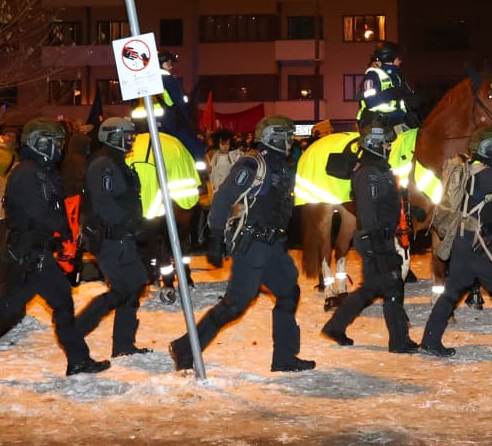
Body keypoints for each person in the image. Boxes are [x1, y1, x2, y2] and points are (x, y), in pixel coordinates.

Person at [0, 118, 110, 385]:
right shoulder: (27, 172)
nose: (59, 148)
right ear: (40, 143)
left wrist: (59, 239)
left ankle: (78, 359)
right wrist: (62, 229)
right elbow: (40, 213)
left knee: (61, 302)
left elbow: (46, 211)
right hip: (27, 257)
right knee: (5, 313)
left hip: (36, 252)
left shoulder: (40, 169)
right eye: (55, 143)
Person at [169, 116, 315, 373]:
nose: (290, 141)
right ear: (273, 137)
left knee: (289, 293)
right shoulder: (252, 163)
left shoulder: (279, 165)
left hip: (272, 246)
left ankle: (284, 357)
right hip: (252, 246)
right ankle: (185, 347)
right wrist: (215, 238)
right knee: (235, 304)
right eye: (286, 136)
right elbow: (223, 198)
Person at [419, 128, 492, 356]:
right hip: (478, 241)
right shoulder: (487, 175)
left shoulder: (472, 169)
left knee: (452, 292)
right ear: (491, 149)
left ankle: (430, 340)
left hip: (463, 239)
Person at [321, 120, 419, 354]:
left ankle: (335, 326)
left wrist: (411, 210)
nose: (389, 147)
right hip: (374, 238)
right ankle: (398, 341)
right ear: (374, 144)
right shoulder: (369, 173)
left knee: (370, 289)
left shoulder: (380, 169)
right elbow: (367, 209)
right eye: (386, 143)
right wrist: (376, 240)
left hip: (379, 237)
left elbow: (387, 202)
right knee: (393, 287)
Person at [75, 117, 152, 358]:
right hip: (109, 238)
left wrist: (138, 224)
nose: (131, 140)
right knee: (123, 288)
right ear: (112, 136)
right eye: (126, 136)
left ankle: (124, 344)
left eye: (132, 136)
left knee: (135, 284)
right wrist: (126, 223)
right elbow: (103, 201)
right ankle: (75, 329)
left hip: (123, 237)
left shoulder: (118, 162)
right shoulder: (103, 164)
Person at [357, 40, 418, 131]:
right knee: (381, 142)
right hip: (376, 122)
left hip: (399, 120)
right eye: (398, 58)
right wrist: (392, 93)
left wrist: (414, 101)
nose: (400, 61)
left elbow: (406, 97)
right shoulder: (373, 74)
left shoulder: (398, 76)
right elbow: (371, 102)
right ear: (390, 57)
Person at [157, 50, 205, 162]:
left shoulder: (149, 81)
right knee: (197, 148)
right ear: (160, 64)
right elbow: (180, 103)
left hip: (154, 124)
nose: (170, 66)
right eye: (167, 63)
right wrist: (189, 121)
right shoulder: (169, 80)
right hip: (171, 122)